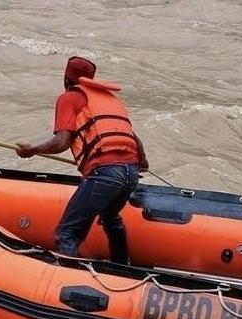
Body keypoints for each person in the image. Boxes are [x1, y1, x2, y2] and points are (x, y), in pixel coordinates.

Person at [15, 55, 149, 264]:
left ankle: (73, 282)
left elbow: (62, 142)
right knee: (111, 218)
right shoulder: (109, 100)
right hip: (131, 173)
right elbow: (135, 140)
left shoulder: (69, 97)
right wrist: (142, 163)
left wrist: (33, 150)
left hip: (105, 173)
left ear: (67, 79)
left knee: (67, 234)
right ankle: (122, 265)